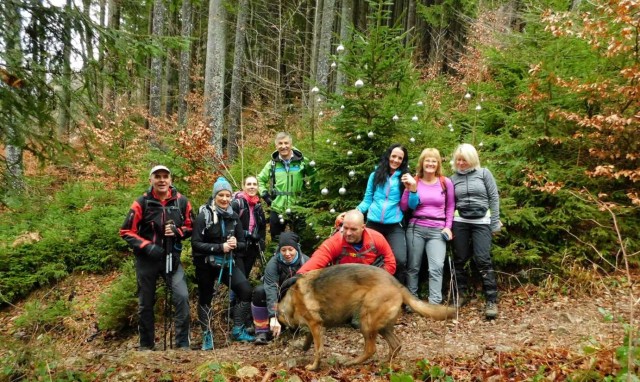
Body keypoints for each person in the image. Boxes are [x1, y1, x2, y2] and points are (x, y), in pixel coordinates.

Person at [120, 165, 194, 351]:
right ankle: (146, 345)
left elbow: (192, 226)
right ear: (150, 180)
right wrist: (147, 246)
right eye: (157, 176)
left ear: (171, 180)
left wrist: (178, 232)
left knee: (182, 296)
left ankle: (182, 343)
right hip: (147, 260)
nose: (162, 180)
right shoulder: (141, 203)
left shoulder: (182, 202)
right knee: (146, 303)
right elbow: (126, 231)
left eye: (165, 176)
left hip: (172, 259)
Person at [191, 177, 255, 350]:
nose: (225, 199)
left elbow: (242, 244)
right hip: (205, 264)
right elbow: (195, 244)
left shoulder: (234, 217)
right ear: (214, 196)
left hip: (227, 263)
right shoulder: (204, 215)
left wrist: (235, 244)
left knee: (246, 292)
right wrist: (220, 247)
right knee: (205, 298)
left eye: (228, 195)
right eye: (221, 195)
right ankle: (207, 335)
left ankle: (238, 329)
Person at [450, 143, 502, 319]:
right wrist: (447, 226)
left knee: (483, 259)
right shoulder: (452, 179)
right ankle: (461, 294)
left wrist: (495, 222)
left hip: (482, 222)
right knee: (460, 258)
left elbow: (494, 197)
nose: (461, 163)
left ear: (472, 159)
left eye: (464, 159)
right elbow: (449, 204)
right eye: (458, 159)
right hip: (460, 222)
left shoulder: (484, 173)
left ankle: (491, 300)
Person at [400, 148, 455, 305]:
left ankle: (435, 303)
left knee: (437, 267)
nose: (430, 163)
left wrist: (448, 226)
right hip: (416, 227)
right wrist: (410, 189)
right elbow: (405, 207)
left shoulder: (445, 182)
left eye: (434, 160)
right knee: (413, 267)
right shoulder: (414, 181)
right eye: (427, 160)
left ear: (438, 164)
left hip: (438, 229)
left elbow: (450, 207)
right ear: (422, 163)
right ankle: (412, 302)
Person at [356, 143, 409, 284]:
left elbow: (410, 204)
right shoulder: (375, 175)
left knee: (400, 259)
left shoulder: (404, 179)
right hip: (373, 223)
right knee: (366, 258)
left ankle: (397, 294)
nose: (396, 160)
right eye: (394, 156)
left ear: (403, 161)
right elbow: (367, 200)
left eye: (400, 158)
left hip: (394, 225)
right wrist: (355, 212)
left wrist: (413, 189)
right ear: (388, 156)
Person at [250, 231, 309, 345]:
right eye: (283, 250)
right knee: (260, 291)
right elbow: (270, 289)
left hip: (297, 299)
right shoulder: (274, 263)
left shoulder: (306, 262)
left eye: (290, 249)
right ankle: (262, 331)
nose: (287, 254)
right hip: (278, 297)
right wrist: (273, 316)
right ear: (279, 250)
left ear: (296, 248)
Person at [257, 132, 316, 241]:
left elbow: (315, 177)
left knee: (301, 239)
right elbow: (260, 179)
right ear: (276, 146)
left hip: (298, 206)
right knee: (276, 240)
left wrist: (312, 197)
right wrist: (265, 195)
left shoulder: (302, 161)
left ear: (291, 144)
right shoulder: (272, 164)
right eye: (280, 143)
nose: (283, 146)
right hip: (278, 207)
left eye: (286, 143)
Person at [297, 210, 396, 275]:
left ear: (363, 228)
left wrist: (376, 280)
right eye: (345, 228)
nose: (348, 233)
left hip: (370, 281)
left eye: (353, 229)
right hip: (343, 282)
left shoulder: (377, 239)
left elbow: (390, 263)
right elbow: (318, 259)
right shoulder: (335, 242)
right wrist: (299, 276)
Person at [231, 175, 267, 278]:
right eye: (249, 184)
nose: (252, 187)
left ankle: (238, 294)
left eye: (254, 184)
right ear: (243, 186)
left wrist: (261, 241)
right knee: (240, 279)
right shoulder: (237, 204)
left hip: (252, 248)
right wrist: (248, 234)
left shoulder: (257, 205)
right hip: (237, 247)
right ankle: (236, 294)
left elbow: (262, 227)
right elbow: (231, 226)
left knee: (244, 277)